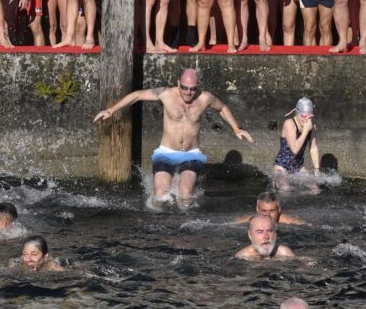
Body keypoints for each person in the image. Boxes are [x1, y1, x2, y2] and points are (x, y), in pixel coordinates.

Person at [93, 68, 252, 209]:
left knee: (185, 197)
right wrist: (111, 110)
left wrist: (236, 128)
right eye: (184, 88)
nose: (188, 92)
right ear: (178, 83)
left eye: (192, 89)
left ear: (198, 87)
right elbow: (137, 95)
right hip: (166, 152)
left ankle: (184, 229)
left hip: (191, 153)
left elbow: (223, 108)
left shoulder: (205, 98)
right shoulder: (166, 94)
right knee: (160, 196)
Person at [273, 96, 321, 190]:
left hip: (298, 167)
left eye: (309, 116)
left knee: (315, 188)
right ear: (297, 112)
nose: (306, 119)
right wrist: (306, 130)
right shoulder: (289, 123)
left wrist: (317, 169)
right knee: (285, 189)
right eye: (303, 116)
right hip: (281, 167)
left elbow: (313, 148)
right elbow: (294, 149)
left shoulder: (312, 126)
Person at [236, 191, 309, 226]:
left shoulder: (288, 221)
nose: (268, 215)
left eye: (272, 211)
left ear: (279, 209)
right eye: (264, 211)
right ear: (257, 210)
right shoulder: (250, 220)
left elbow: (307, 225)